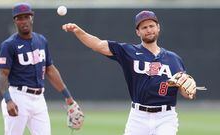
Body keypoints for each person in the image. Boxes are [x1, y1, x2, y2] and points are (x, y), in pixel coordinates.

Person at [62, 10, 196, 135]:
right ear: (138, 32)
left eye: (151, 26)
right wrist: (78, 31)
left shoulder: (173, 59)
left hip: (166, 117)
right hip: (138, 117)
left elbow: (187, 93)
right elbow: (98, 45)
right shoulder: (129, 52)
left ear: (158, 27)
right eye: (144, 27)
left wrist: (190, 88)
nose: (149, 30)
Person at [0, 3, 83, 135]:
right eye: (20, 18)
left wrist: (69, 98)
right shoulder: (9, 45)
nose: (24, 21)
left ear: (32, 18)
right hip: (18, 97)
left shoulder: (41, 40)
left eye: (27, 17)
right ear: (15, 20)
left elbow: (50, 70)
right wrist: (8, 100)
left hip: (39, 100)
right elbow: (2, 74)